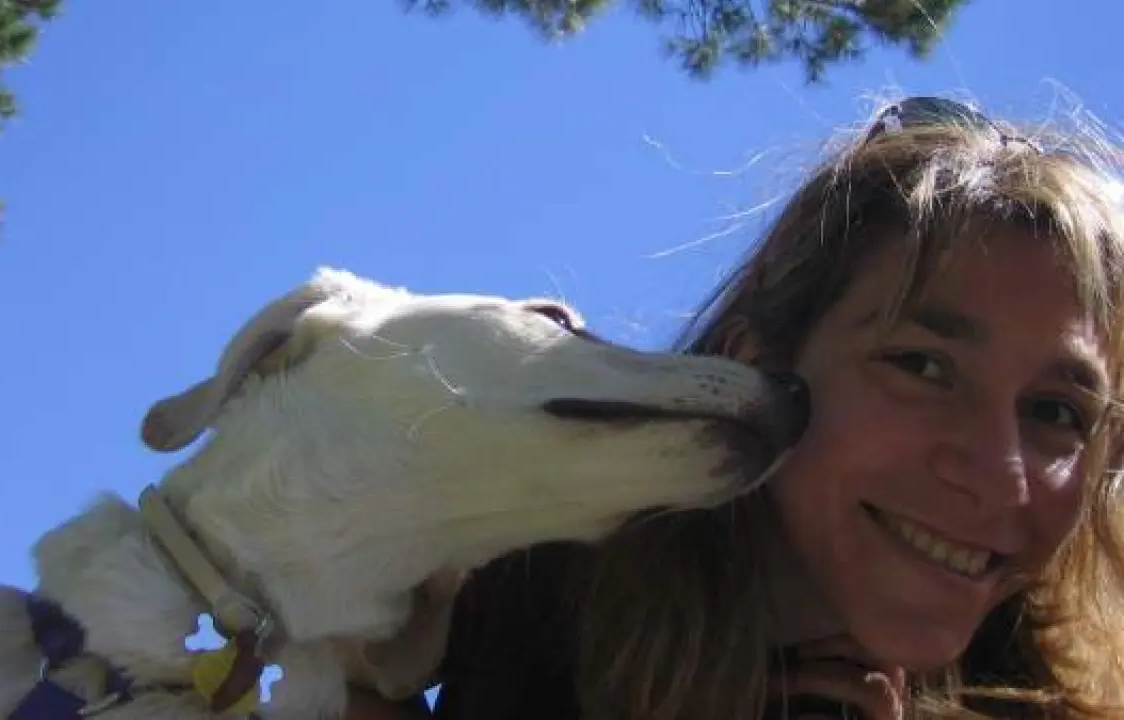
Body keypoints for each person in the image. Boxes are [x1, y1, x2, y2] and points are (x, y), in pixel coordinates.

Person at [336, 95, 1124, 719]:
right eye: (923, 366)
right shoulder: (532, 554)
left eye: (1057, 412)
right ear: (754, 368)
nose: (1000, 476)